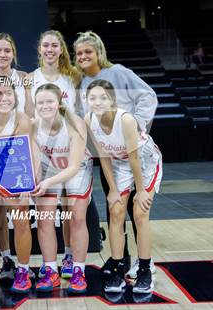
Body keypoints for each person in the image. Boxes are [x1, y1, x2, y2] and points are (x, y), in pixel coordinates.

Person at [73, 31, 158, 277]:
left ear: (99, 52)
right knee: (115, 208)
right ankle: (122, 258)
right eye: (79, 53)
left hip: (132, 153)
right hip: (108, 155)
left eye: (88, 51)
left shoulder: (118, 72)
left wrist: (136, 125)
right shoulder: (80, 81)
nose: (83, 56)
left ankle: (145, 262)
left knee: (136, 210)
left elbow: (148, 96)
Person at [85, 79, 162, 294]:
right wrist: (113, 190)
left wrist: (142, 191)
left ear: (112, 100)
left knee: (139, 213)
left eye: (103, 97)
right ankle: (119, 268)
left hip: (144, 162)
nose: (98, 102)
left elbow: (135, 158)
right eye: (93, 98)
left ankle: (145, 269)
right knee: (116, 210)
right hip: (118, 162)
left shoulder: (125, 120)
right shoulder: (88, 119)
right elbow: (104, 158)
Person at [0, 33, 34, 279]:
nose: (2, 54)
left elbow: (30, 114)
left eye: (7, 50)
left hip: (18, 152)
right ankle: (5, 260)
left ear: (13, 54)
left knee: (20, 217)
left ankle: (22, 268)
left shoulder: (24, 78)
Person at [29, 29, 82, 279]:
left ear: (61, 50)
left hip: (69, 152)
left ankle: (70, 256)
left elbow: (80, 116)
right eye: (45, 45)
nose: (50, 50)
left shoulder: (72, 78)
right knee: (45, 216)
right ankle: (49, 264)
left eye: (54, 46)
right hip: (42, 153)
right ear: (39, 49)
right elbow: (26, 118)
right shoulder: (29, 79)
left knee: (70, 212)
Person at [32, 83, 93, 293]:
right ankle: (50, 271)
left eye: (49, 101)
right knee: (44, 219)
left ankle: (78, 270)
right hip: (51, 168)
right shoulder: (33, 125)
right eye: (40, 102)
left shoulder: (75, 122)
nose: (45, 106)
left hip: (77, 168)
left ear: (59, 103)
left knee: (76, 218)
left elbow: (74, 166)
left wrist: (47, 183)